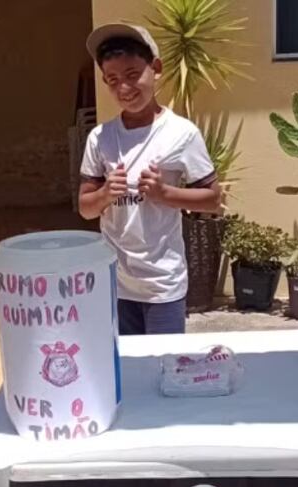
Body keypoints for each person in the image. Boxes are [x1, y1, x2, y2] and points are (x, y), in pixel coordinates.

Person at [79, 23, 222, 336]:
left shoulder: (181, 134)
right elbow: (86, 208)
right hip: (115, 284)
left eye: (132, 75)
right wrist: (104, 194)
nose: (124, 89)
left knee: (164, 369)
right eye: (113, 80)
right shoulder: (100, 138)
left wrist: (164, 193)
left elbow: (213, 201)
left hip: (162, 285)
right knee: (125, 367)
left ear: (155, 69)